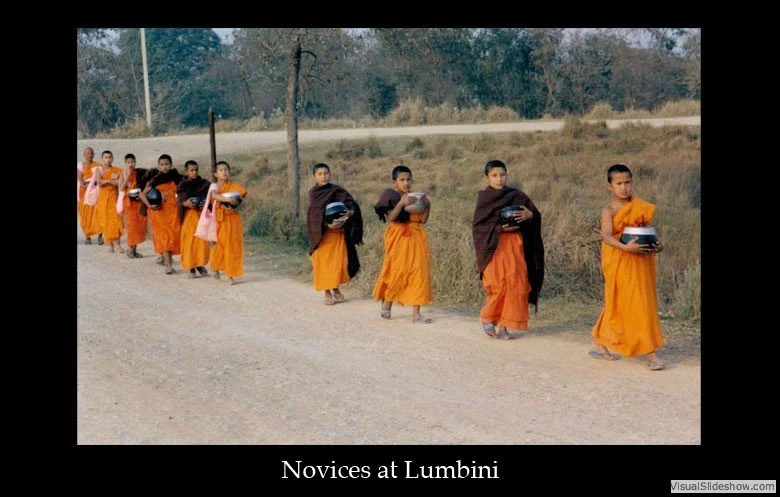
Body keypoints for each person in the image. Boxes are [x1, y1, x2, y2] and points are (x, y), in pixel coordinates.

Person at [591, 164, 666, 370]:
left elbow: (645, 233)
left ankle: (599, 339)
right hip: (619, 259)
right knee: (625, 302)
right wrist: (625, 247)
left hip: (640, 260)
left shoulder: (640, 206)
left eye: (627, 182)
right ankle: (650, 355)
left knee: (640, 302)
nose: (624, 188)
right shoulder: (609, 210)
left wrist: (656, 246)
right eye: (619, 183)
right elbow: (606, 236)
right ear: (610, 186)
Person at [472, 160, 544, 339]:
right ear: (487, 178)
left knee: (516, 285)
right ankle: (487, 318)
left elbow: (535, 214)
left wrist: (530, 215)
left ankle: (504, 326)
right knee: (498, 285)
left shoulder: (516, 194)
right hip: (494, 247)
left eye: (502, 175)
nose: (499, 179)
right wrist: (499, 228)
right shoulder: (484, 198)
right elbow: (479, 226)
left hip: (515, 245)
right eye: (494, 176)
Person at [372, 165, 433, 323]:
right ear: (395, 182)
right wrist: (401, 203)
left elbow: (423, 220)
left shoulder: (416, 197)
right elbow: (391, 218)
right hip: (398, 236)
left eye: (408, 179)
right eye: (402, 180)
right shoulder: (390, 196)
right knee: (397, 271)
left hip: (416, 237)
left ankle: (416, 313)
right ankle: (387, 303)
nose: (406, 183)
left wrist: (427, 206)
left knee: (419, 272)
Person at [306, 163, 364, 305]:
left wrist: (350, 213)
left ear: (330, 174)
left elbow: (351, 203)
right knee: (324, 264)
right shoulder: (314, 193)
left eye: (326, 173)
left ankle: (335, 288)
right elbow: (314, 215)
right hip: (322, 235)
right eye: (319, 174)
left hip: (338, 233)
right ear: (314, 177)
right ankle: (327, 292)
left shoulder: (337, 190)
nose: (323, 176)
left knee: (337, 263)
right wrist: (327, 225)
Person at [140, 154, 183, 275]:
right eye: (162, 165)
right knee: (164, 237)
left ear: (171, 165)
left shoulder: (177, 178)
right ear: (158, 166)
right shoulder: (155, 180)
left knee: (173, 236)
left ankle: (167, 260)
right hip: (159, 212)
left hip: (173, 212)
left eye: (167, 164)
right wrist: (150, 206)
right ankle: (168, 265)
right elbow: (142, 195)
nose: (165, 167)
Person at [209, 161, 247, 285]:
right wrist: (226, 199)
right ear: (216, 173)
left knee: (233, 246)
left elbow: (242, 200)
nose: (224, 172)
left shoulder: (235, 186)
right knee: (219, 245)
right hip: (218, 219)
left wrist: (235, 205)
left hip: (232, 219)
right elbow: (214, 196)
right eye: (221, 170)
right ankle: (215, 266)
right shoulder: (214, 186)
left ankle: (231, 274)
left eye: (226, 169)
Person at [177, 160, 211, 278]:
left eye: (196, 170)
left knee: (201, 241)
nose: (194, 172)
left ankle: (199, 264)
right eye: (191, 170)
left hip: (201, 215)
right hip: (189, 216)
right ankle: (190, 266)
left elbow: (209, 198)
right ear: (187, 171)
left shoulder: (204, 184)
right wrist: (185, 204)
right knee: (189, 241)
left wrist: (205, 204)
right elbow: (180, 201)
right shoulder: (183, 185)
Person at [95, 150, 124, 254]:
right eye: (105, 157)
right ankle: (109, 245)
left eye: (109, 157)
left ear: (113, 158)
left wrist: (108, 181)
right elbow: (99, 182)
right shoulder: (99, 170)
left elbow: (120, 183)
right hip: (103, 200)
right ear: (102, 159)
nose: (108, 159)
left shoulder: (117, 170)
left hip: (113, 199)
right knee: (105, 222)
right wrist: (111, 181)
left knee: (115, 221)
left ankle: (118, 244)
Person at [120, 153, 148, 258]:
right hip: (129, 204)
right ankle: (130, 249)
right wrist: (127, 177)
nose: (131, 164)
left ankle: (134, 250)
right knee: (132, 227)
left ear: (135, 162)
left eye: (132, 162)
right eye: (128, 162)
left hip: (138, 202)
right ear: (125, 163)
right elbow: (121, 188)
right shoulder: (123, 173)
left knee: (139, 226)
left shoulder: (139, 173)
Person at [77, 147, 103, 244]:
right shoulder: (79, 166)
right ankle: (87, 237)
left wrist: (93, 184)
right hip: (83, 192)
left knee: (98, 213)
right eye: (87, 153)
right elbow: (80, 179)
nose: (89, 155)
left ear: (94, 154)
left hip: (95, 192)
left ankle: (100, 236)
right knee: (85, 215)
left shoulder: (98, 166)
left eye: (91, 153)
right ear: (84, 155)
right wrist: (85, 184)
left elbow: (100, 178)